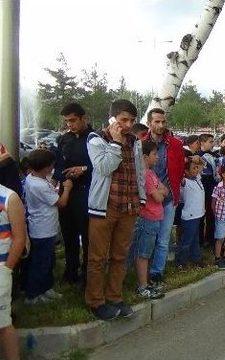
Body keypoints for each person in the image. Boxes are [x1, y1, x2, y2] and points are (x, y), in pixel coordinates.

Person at [85, 99, 146, 321]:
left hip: (128, 207)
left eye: (132, 120)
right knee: (98, 257)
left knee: (120, 256)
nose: (128, 125)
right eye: (123, 120)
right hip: (105, 208)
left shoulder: (135, 142)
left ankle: (114, 297)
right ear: (112, 119)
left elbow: (139, 170)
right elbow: (103, 167)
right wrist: (117, 143)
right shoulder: (96, 139)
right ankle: (96, 301)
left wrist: (141, 198)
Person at [51, 103, 94, 285]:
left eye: (73, 120)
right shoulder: (63, 140)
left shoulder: (95, 139)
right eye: (67, 121)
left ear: (83, 118)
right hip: (66, 192)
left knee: (87, 237)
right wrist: (64, 176)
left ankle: (87, 276)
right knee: (69, 235)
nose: (70, 125)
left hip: (86, 193)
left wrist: (84, 169)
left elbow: (102, 167)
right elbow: (57, 166)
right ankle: (70, 273)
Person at [142, 108, 184, 290]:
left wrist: (172, 191)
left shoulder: (174, 144)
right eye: (156, 121)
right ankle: (140, 271)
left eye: (163, 122)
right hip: (146, 198)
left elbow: (180, 168)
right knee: (145, 237)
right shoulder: (140, 143)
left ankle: (157, 272)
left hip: (168, 199)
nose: (160, 125)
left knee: (163, 238)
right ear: (149, 123)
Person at [23, 149, 72, 304]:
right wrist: (68, 188)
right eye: (51, 166)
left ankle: (45, 288)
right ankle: (33, 295)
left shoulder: (32, 178)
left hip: (44, 229)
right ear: (45, 167)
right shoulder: (39, 186)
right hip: (42, 230)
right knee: (41, 263)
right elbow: (61, 202)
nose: (53, 168)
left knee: (48, 261)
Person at [132, 140, 166, 300]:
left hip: (155, 218)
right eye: (154, 154)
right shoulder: (144, 175)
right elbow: (159, 197)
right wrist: (160, 191)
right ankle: (142, 286)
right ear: (145, 156)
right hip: (147, 218)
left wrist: (160, 191)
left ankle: (146, 282)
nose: (157, 157)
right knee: (143, 253)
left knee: (148, 252)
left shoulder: (151, 173)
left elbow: (164, 189)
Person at [0, 183, 27, 360]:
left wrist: (6, 269)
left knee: (2, 324)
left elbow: (19, 239)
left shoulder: (9, 197)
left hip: (1, 271)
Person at [178, 156, 206, 268]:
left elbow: (203, 165)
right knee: (187, 240)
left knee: (195, 239)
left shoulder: (197, 179)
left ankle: (196, 258)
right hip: (189, 216)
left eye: (196, 168)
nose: (196, 170)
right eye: (193, 168)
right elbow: (179, 173)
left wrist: (197, 160)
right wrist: (185, 160)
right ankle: (181, 262)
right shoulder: (185, 182)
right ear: (186, 171)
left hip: (198, 215)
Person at [198, 133, 217, 246]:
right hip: (203, 188)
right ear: (202, 143)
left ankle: (209, 239)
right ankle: (200, 240)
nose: (212, 144)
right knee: (201, 216)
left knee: (211, 214)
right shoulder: (199, 156)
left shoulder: (214, 155)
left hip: (212, 188)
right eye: (210, 142)